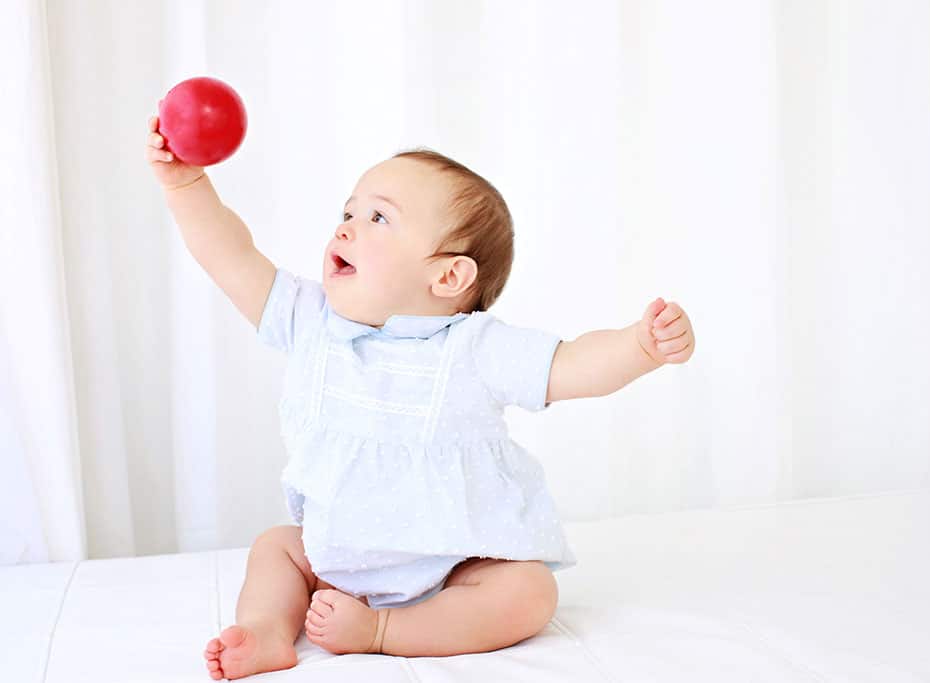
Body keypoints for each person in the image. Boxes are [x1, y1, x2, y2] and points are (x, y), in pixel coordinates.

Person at [145, 114, 695, 680]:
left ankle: (385, 631)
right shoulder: (311, 322)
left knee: (528, 591)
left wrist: (639, 347)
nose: (347, 228)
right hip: (337, 557)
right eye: (349, 212)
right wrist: (186, 185)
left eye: (378, 217)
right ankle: (265, 629)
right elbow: (231, 256)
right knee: (277, 549)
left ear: (449, 277)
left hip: (455, 564)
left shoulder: (473, 349)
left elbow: (573, 364)